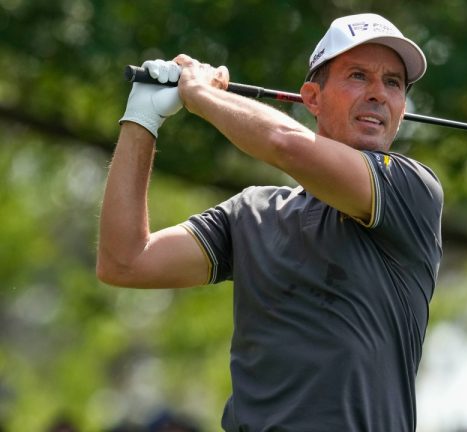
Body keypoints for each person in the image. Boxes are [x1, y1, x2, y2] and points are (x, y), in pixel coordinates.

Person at [97, 13, 443, 431]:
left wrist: (201, 95)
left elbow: (286, 144)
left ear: (403, 108)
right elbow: (125, 262)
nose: (377, 94)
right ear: (311, 98)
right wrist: (141, 120)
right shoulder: (252, 212)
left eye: (393, 82)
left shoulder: (411, 189)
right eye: (358, 75)